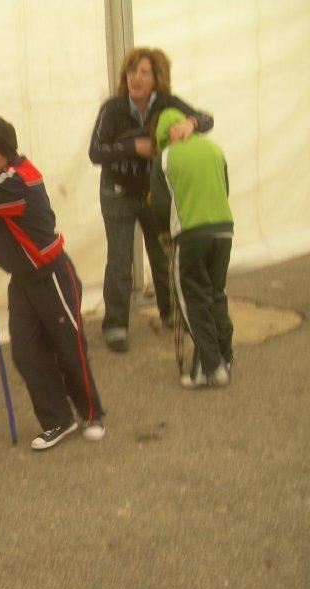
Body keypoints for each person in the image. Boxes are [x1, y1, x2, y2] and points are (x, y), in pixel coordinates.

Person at [0, 113, 105, 451]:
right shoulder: (2, 178)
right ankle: (58, 420)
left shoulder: (19, 182)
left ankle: (92, 414)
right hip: (22, 281)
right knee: (26, 353)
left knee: (70, 348)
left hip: (52, 277)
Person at [89, 47, 214, 352]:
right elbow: (96, 152)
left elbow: (206, 118)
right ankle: (115, 325)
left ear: (158, 77)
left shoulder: (168, 103)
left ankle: (170, 314)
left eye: (144, 72)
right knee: (120, 261)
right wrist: (133, 147)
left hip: (153, 194)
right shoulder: (113, 108)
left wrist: (190, 124)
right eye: (132, 71)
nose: (136, 78)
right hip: (117, 193)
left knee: (161, 256)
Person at [150, 108, 234, 389]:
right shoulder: (215, 149)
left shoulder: (165, 158)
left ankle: (212, 367)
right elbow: (225, 188)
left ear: (164, 136)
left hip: (190, 235)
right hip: (224, 229)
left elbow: (161, 206)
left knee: (191, 300)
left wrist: (165, 233)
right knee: (216, 294)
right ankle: (223, 358)